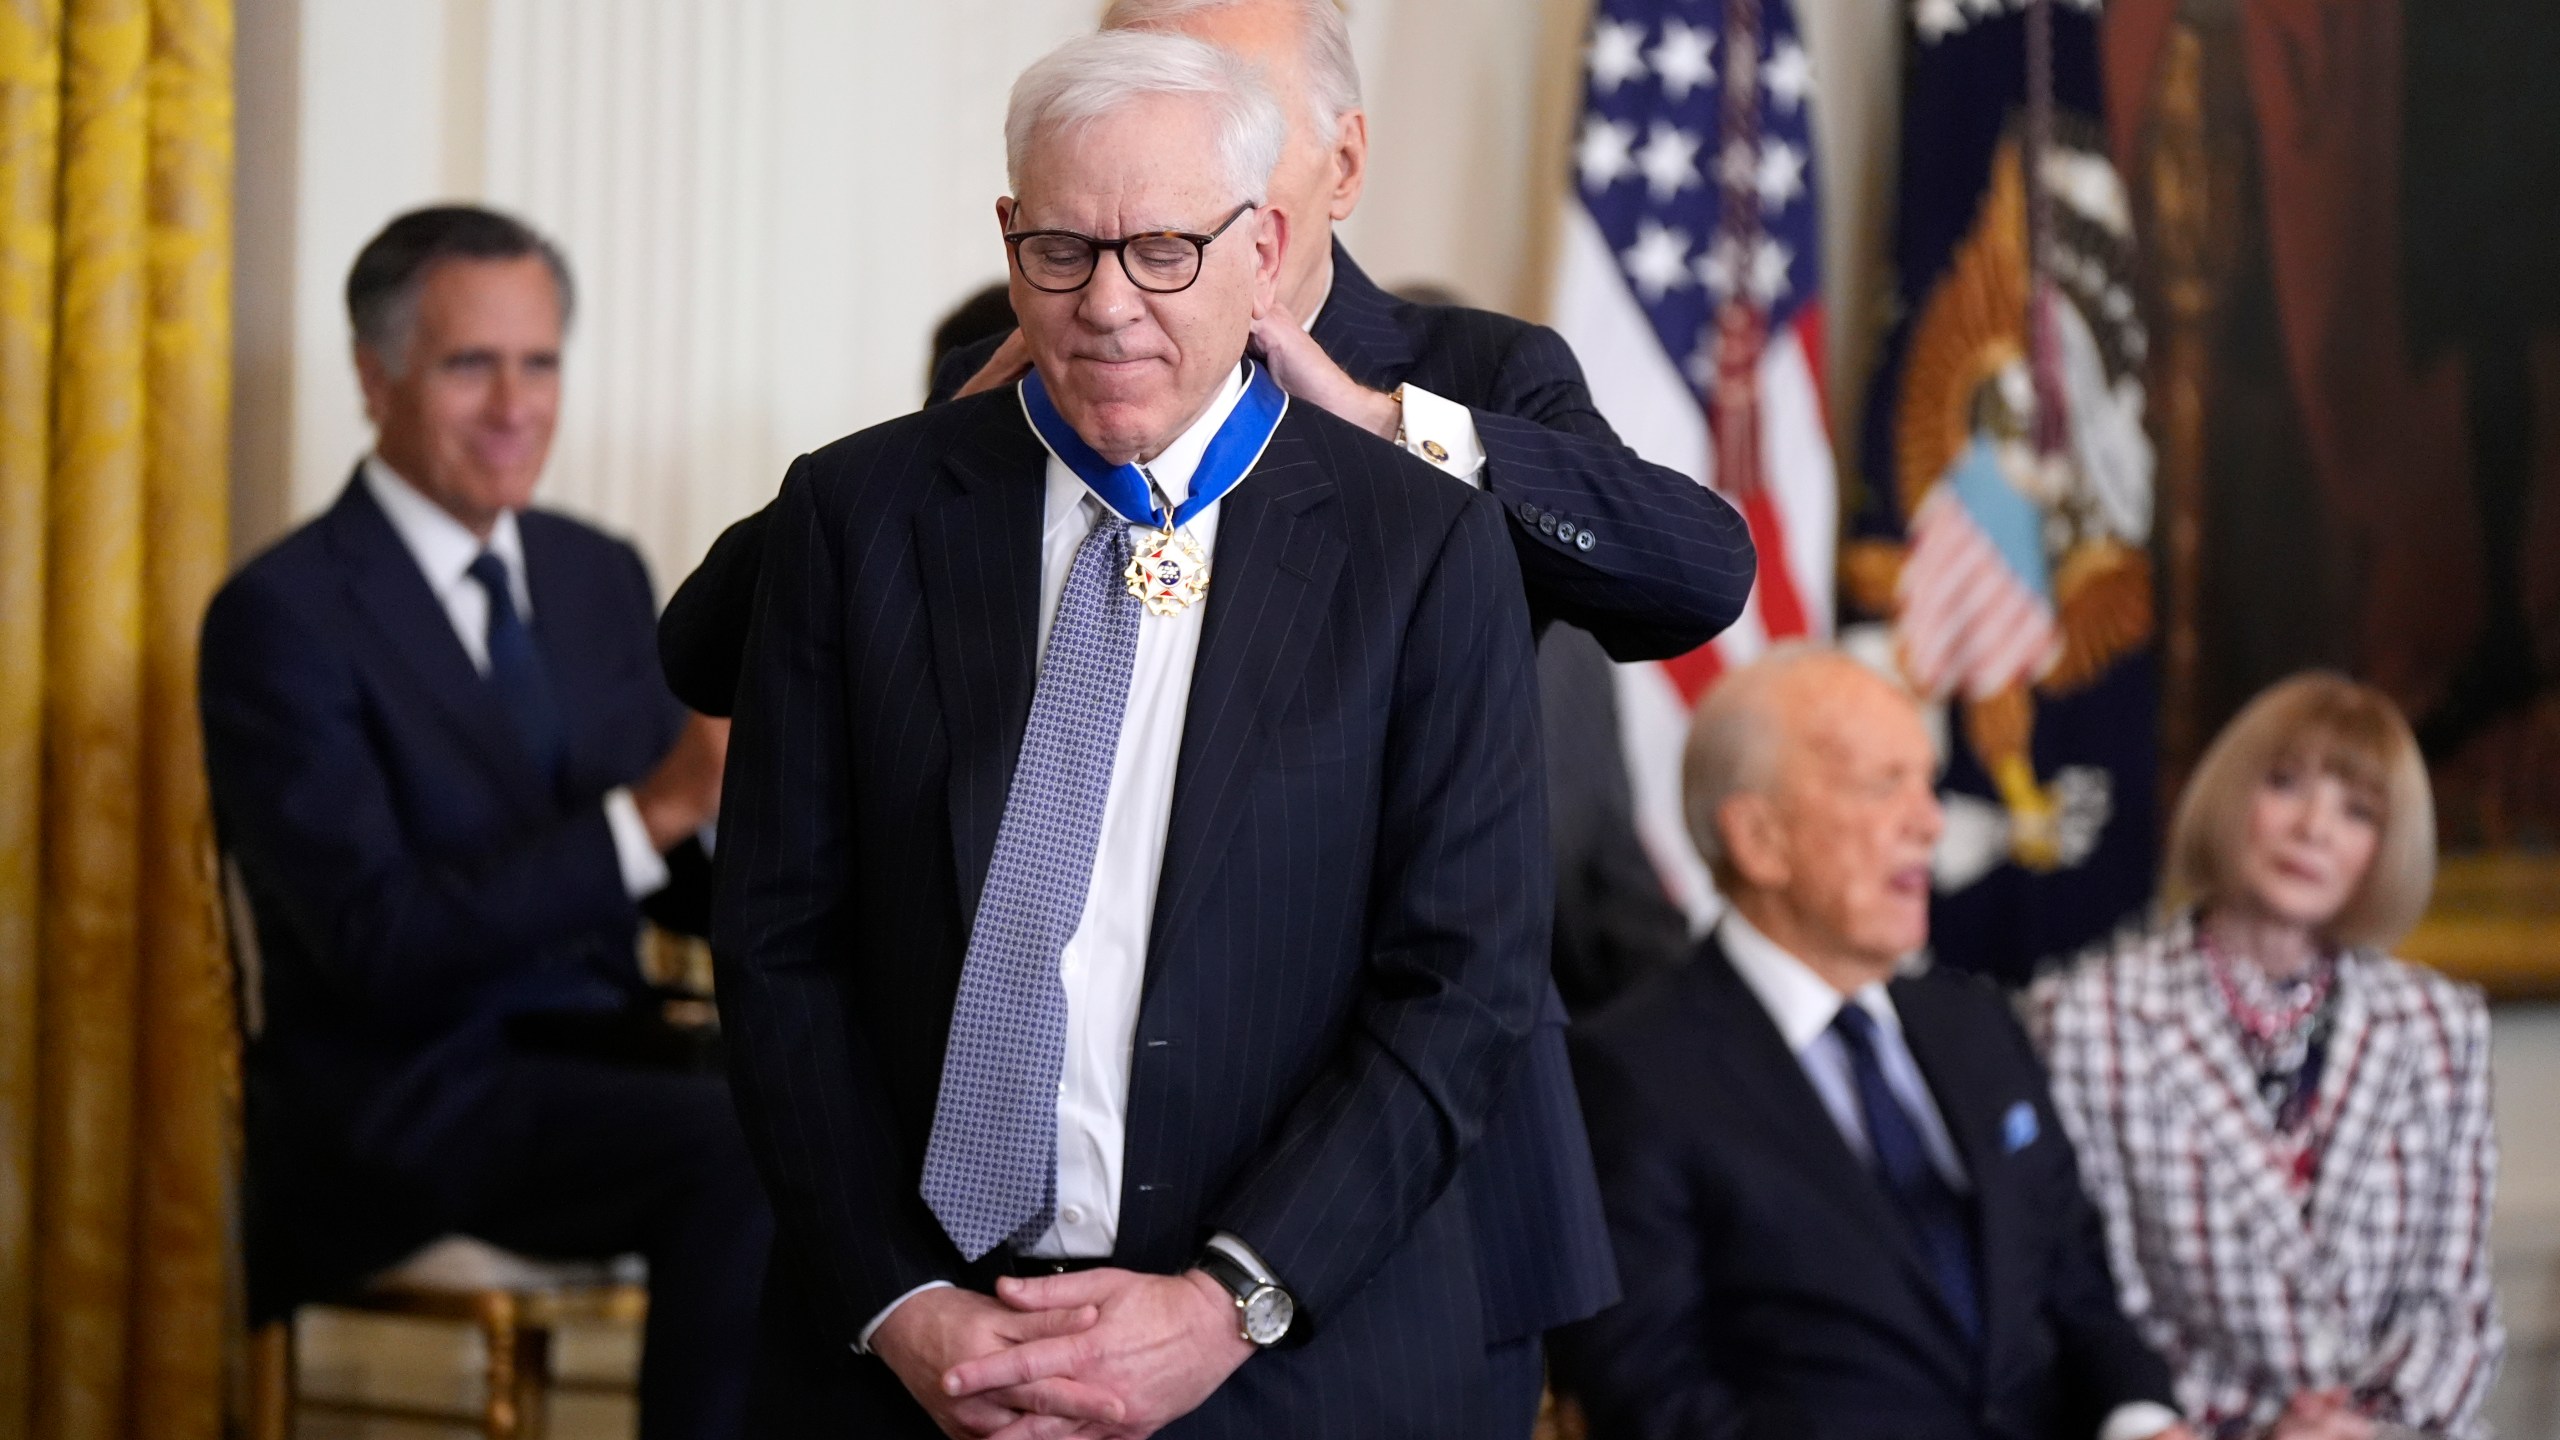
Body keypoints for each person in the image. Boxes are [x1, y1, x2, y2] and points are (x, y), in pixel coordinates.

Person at [660, 1, 1755, 1416]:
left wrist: (1382, 428)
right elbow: (736, 670)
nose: (1118, 288)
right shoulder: (1035, 347)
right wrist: (982, 411)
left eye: (1202, 94)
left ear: (1313, 189)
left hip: (1375, 1230)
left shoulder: (1462, 401)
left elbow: (1695, 572)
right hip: (962, 1291)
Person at [199, 205, 769, 1440]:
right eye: (472, 365)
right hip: (402, 1096)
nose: (516, 405)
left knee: (849, 1099)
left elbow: (670, 871)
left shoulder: (593, 571)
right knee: (741, 1150)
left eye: (540, 363)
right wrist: (660, 803)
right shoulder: (280, 617)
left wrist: (740, 811)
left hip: (604, 1062)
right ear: (375, 376)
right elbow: (375, 941)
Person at [1559, 648, 2193, 1440]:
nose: (1930, 821)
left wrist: (2141, 1418)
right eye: (1882, 785)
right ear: (1760, 839)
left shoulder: (1978, 1024)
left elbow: (2074, 1280)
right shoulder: (1632, 1070)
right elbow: (1653, 1395)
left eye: (1926, 783)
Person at [2027, 675, 2503, 1440]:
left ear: (2386, 847)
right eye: (2286, 785)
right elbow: (2099, 1298)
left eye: (2358, 811)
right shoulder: (2086, 1017)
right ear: (2230, 795)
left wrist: (2363, 1428)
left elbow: (2455, 1303)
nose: (2315, 828)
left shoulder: (2440, 1026)